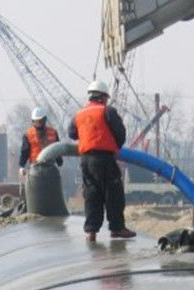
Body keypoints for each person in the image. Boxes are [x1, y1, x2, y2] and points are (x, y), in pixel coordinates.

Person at [68, 80, 135, 241]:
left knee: (92, 194)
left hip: (86, 160)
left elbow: (72, 133)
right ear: (103, 97)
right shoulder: (108, 111)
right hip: (104, 158)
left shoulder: (79, 114)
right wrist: (115, 147)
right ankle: (117, 228)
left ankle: (91, 231)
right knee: (113, 193)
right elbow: (120, 133)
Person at [19, 107, 62, 175]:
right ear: (33, 121)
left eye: (40, 121)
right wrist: (22, 166)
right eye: (36, 121)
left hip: (50, 167)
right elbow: (25, 152)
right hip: (35, 168)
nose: (38, 123)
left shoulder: (53, 132)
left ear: (44, 120)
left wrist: (59, 162)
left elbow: (57, 149)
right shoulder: (28, 134)